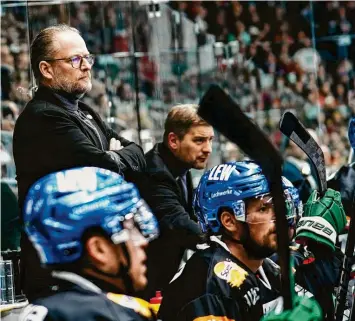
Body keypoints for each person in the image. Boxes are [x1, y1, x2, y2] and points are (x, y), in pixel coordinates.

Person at [13, 24, 146, 301]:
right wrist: (111, 159)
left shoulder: (84, 111)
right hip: (57, 270)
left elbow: (136, 153)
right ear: (47, 70)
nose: (86, 66)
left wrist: (115, 158)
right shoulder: (43, 117)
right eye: (75, 59)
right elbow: (106, 168)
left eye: (88, 58)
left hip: (89, 264)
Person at [158, 161, 346, 321]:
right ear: (229, 221)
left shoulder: (264, 267)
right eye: (264, 209)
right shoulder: (212, 284)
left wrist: (321, 246)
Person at [19, 167, 159, 321]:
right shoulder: (108, 315)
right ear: (99, 249)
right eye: (131, 229)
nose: (143, 242)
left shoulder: (41, 309)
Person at [137, 104, 214, 299]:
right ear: (173, 140)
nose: (208, 149)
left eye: (210, 140)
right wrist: (226, 239)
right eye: (199, 141)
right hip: (143, 284)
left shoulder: (180, 166)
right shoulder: (154, 172)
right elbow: (178, 223)